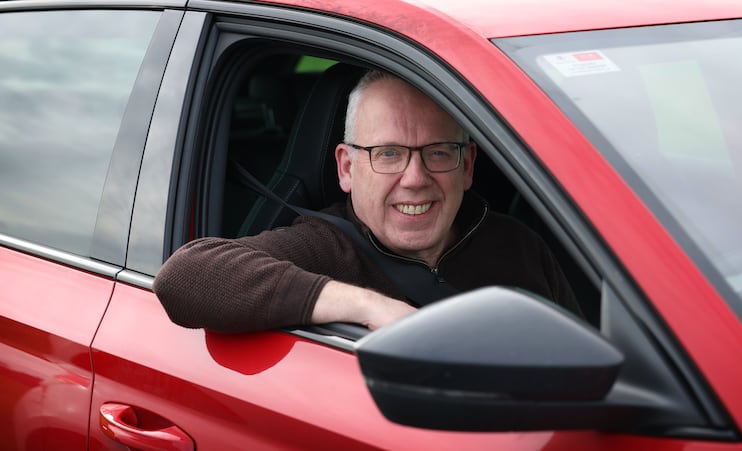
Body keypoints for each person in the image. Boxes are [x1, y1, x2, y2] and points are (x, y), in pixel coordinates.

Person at [153, 69, 581, 332]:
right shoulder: (321, 247)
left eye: (437, 152)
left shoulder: (519, 245)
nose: (415, 179)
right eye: (388, 154)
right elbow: (185, 277)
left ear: (467, 165)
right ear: (346, 168)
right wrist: (369, 307)